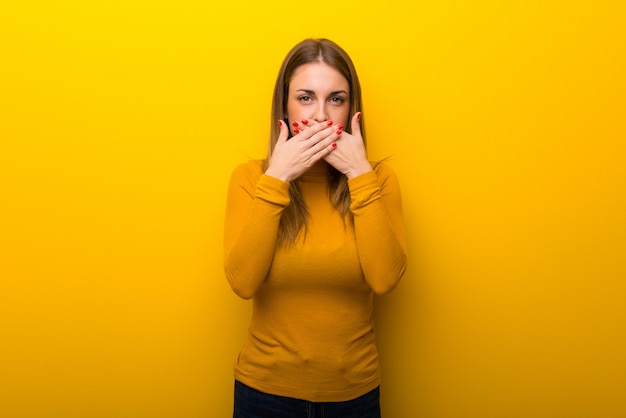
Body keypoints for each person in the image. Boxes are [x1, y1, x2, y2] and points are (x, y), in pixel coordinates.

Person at [223, 38, 407, 418]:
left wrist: (359, 174)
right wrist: (278, 178)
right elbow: (241, 283)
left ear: (352, 110)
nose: (321, 115)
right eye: (306, 97)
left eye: (335, 99)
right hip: (264, 394)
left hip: (354, 396)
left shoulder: (379, 180)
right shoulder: (251, 178)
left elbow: (385, 279)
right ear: (285, 107)